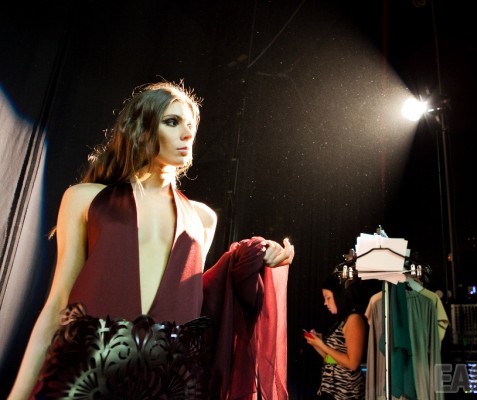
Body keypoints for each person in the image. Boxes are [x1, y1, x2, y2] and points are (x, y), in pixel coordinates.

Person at [7, 80, 295, 400]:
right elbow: (58, 302)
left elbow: (196, 300)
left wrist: (254, 257)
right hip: (87, 372)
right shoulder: (85, 198)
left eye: (190, 125)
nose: (187, 134)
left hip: (165, 382)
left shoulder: (202, 219)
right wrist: (17, 395)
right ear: (143, 130)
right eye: (172, 122)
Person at [304, 274, 367, 400]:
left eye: (328, 298)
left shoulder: (354, 320)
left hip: (347, 393)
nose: (325, 303)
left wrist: (322, 345)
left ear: (339, 296)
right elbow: (332, 360)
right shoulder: (342, 321)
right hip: (334, 391)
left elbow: (352, 364)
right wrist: (317, 344)